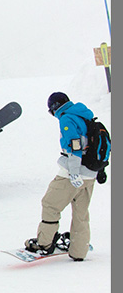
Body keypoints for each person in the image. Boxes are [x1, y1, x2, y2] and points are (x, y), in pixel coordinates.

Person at [23, 92, 102, 261]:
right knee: (81, 213)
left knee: (50, 204)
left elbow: (75, 145)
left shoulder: (67, 118)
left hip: (73, 173)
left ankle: (44, 244)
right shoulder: (85, 115)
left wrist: (73, 172)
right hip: (90, 173)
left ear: (54, 107)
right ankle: (79, 250)